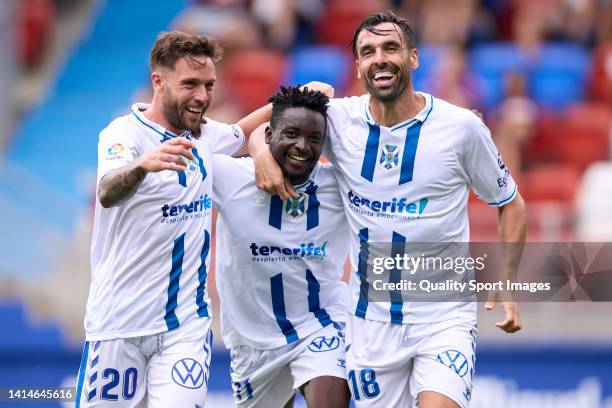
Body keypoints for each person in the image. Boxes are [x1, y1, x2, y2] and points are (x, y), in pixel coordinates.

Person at [254, 11, 527, 408]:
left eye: (390, 48)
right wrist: (261, 150)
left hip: (443, 316)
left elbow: (511, 203)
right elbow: (259, 129)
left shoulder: (461, 128)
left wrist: (508, 281)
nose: (379, 58)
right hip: (370, 323)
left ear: (413, 58)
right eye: (368, 51)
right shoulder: (338, 121)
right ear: (359, 66)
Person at [76, 31, 274, 407]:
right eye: (190, 84)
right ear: (158, 81)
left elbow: (240, 131)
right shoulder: (123, 134)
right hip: (118, 324)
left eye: (208, 85)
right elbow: (107, 191)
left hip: (185, 326)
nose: (202, 96)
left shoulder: (204, 136)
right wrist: (140, 166)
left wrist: (297, 96)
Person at [212, 85, 351, 407]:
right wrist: (257, 151)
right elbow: (196, 151)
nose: (302, 146)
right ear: (269, 133)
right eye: (291, 134)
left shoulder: (340, 183)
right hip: (251, 344)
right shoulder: (229, 176)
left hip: (321, 322)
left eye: (314, 138)